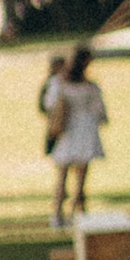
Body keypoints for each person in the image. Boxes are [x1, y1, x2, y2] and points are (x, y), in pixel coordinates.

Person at [46, 48, 108, 226]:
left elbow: (49, 104)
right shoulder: (90, 87)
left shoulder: (60, 83)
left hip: (68, 130)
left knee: (63, 175)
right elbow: (99, 111)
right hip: (85, 129)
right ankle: (78, 213)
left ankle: (58, 215)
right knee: (81, 177)